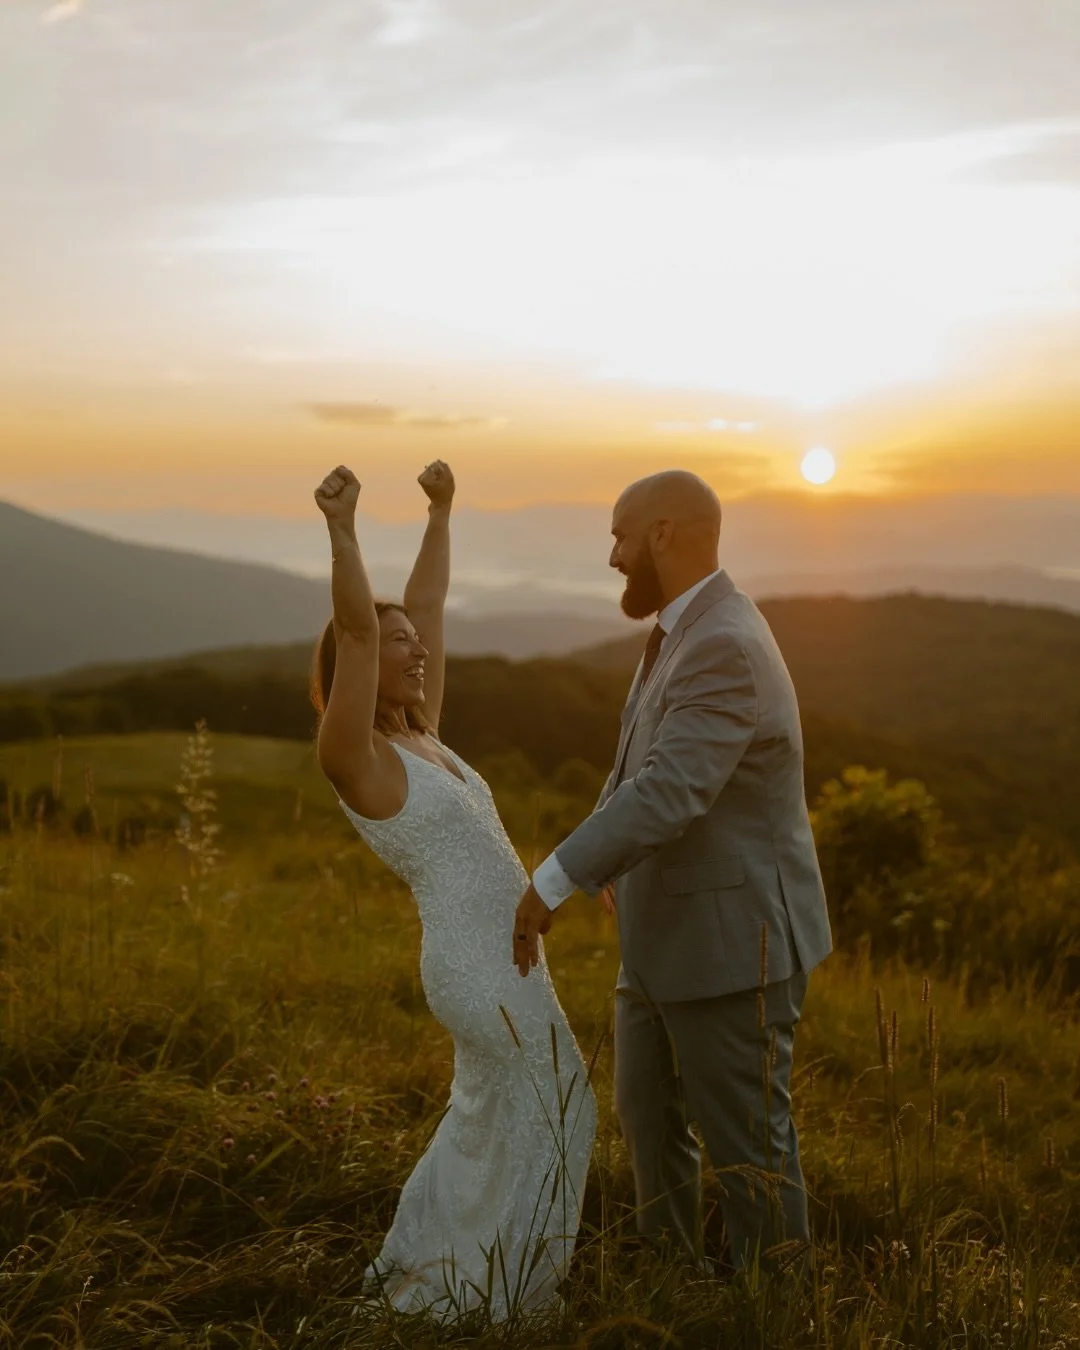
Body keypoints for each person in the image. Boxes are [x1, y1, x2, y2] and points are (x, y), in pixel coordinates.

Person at [513, 469, 832, 1273]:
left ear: (663, 534)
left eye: (620, 536)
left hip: (733, 946)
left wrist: (554, 878)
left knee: (751, 1154)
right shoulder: (679, 630)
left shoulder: (723, 640)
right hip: (660, 941)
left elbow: (673, 788)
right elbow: (632, 770)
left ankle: (775, 1316)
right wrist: (610, 861)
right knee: (650, 1128)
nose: (613, 555)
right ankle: (673, 1289)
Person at [311, 460, 595, 1321]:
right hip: (474, 966)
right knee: (561, 1101)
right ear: (360, 662)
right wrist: (343, 527)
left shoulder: (428, 735)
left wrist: (441, 513)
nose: (415, 647)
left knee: (491, 1115)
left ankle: (442, 1270)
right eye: (399, 645)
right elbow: (360, 634)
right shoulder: (355, 758)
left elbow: (424, 607)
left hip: (509, 963)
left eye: (415, 642)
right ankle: (506, 1297)